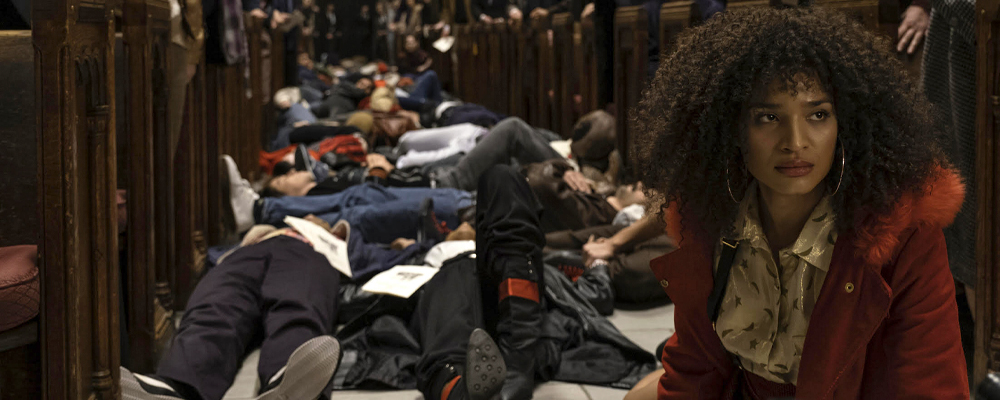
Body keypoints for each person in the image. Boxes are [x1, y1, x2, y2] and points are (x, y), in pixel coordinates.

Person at [629, 6, 968, 398]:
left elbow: (930, 386)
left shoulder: (903, 234)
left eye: (818, 114)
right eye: (768, 118)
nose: (795, 142)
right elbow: (695, 369)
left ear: (846, 124)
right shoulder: (709, 217)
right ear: (731, 128)